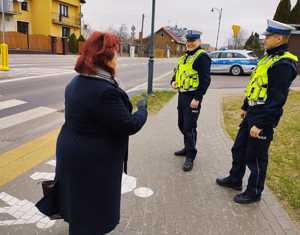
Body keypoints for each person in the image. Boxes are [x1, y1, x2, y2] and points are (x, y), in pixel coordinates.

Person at [55, 32, 148, 234]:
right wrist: (143, 110)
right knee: (93, 209)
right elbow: (129, 125)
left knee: (78, 202)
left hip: (72, 150)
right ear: (105, 58)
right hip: (93, 159)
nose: (118, 58)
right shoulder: (104, 91)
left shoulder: (76, 82)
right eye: (115, 53)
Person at [216, 20, 299, 204]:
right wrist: (246, 106)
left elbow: (277, 99)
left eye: (268, 36)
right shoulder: (267, 58)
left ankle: (254, 192)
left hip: (263, 116)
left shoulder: (284, 64)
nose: (264, 39)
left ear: (279, 38)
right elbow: (255, 84)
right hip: (253, 111)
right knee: (238, 148)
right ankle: (235, 179)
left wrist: (261, 124)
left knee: (256, 157)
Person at [171, 30, 211, 172]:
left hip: (193, 97)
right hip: (182, 96)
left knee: (189, 127)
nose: (190, 43)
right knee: (182, 124)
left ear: (199, 41)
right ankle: (188, 147)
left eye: (193, 40)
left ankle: (190, 155)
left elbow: (206, 80)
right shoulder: (184, 57)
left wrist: (197, 98)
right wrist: (173, 81)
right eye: (188, 41)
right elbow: (177, 73)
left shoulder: (202, 57)